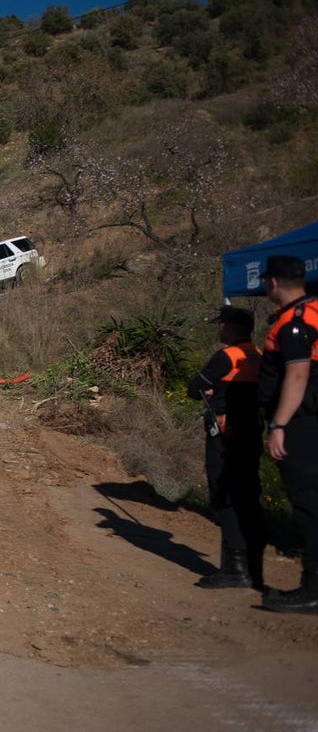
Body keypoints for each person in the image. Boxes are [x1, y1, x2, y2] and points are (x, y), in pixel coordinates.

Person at [187, 306, 265, 589]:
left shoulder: (225, 357)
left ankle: (235, 569)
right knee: (247, 495)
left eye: (221, 325)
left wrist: (212, 390)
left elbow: (194, 388)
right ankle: (253, 566)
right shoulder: (259, 356)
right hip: (252, 433)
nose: (219, 329)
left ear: (231, 328)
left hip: (224, 433)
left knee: (225, 496)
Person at [257, 254, 318, 615]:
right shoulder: (313, 311)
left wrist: (278, 424)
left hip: (302, 424)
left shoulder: (293, 324)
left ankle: (312, 589)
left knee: (309, 505)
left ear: (274, 282)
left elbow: (296, 376)